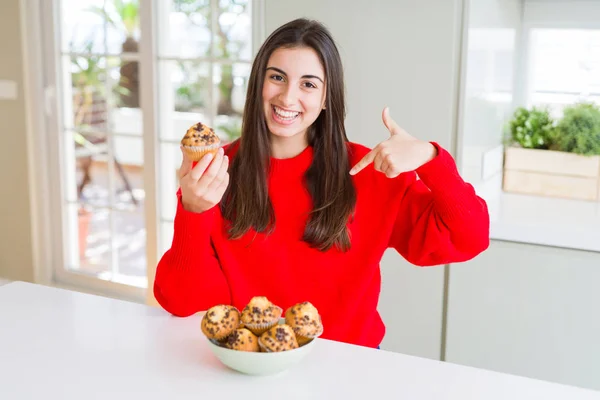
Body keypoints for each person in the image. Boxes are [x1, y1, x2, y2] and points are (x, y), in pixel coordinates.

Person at [154, 18, 489, 349]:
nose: (287, 97)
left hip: (347, 371)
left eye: (309, 84)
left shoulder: (370, 173)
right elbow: (183, 301)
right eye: (277, 77)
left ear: (328, 98)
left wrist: (432, 159)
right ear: (258, 84)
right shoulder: (216, 173)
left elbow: (469, 238)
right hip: (249, 367)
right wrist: (193, 210)